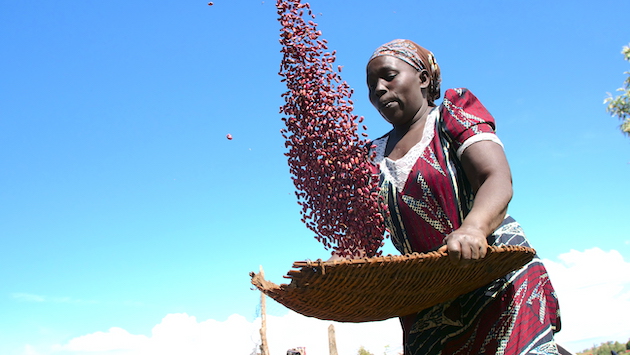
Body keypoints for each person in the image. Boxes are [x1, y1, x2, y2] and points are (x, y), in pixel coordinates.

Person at [365, 39, 561, 355]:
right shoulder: (370, 156)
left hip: (494, 278)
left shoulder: (451, 116)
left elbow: (495, 177)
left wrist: (474, 228)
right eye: (371, 84)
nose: (378, 89)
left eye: (388, 76)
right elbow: (365, 231)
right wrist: (342, 258)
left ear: (423, 79)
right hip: (430, 298)